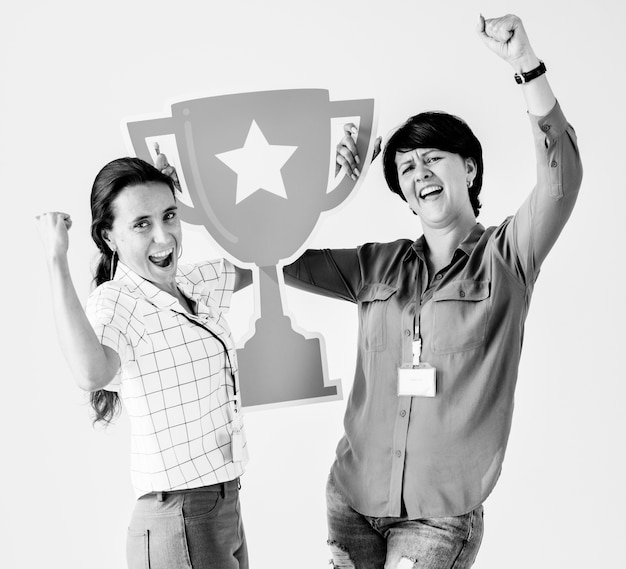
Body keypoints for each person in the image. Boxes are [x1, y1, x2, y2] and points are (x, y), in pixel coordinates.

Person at [284, 14, 583, 569]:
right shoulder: (380, 263)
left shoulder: (508, 259)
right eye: (405, 168)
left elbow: (560, 180)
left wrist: (525, 64)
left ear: (468, 169)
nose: (418, 172)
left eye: (431, 158)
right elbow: (284, 261)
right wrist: (333, 194)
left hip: (440, 516)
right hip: (352, 498)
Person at [36, 157, 250, 569]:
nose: (163, 236)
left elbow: (270, 258)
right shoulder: (117, 301)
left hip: (224, 504)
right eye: (141, 223)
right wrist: (56, 259)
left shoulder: (193, 283)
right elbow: (91, 373)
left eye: (169, 215)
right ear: (109, 237)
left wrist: (339, 175)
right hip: (180, 516)